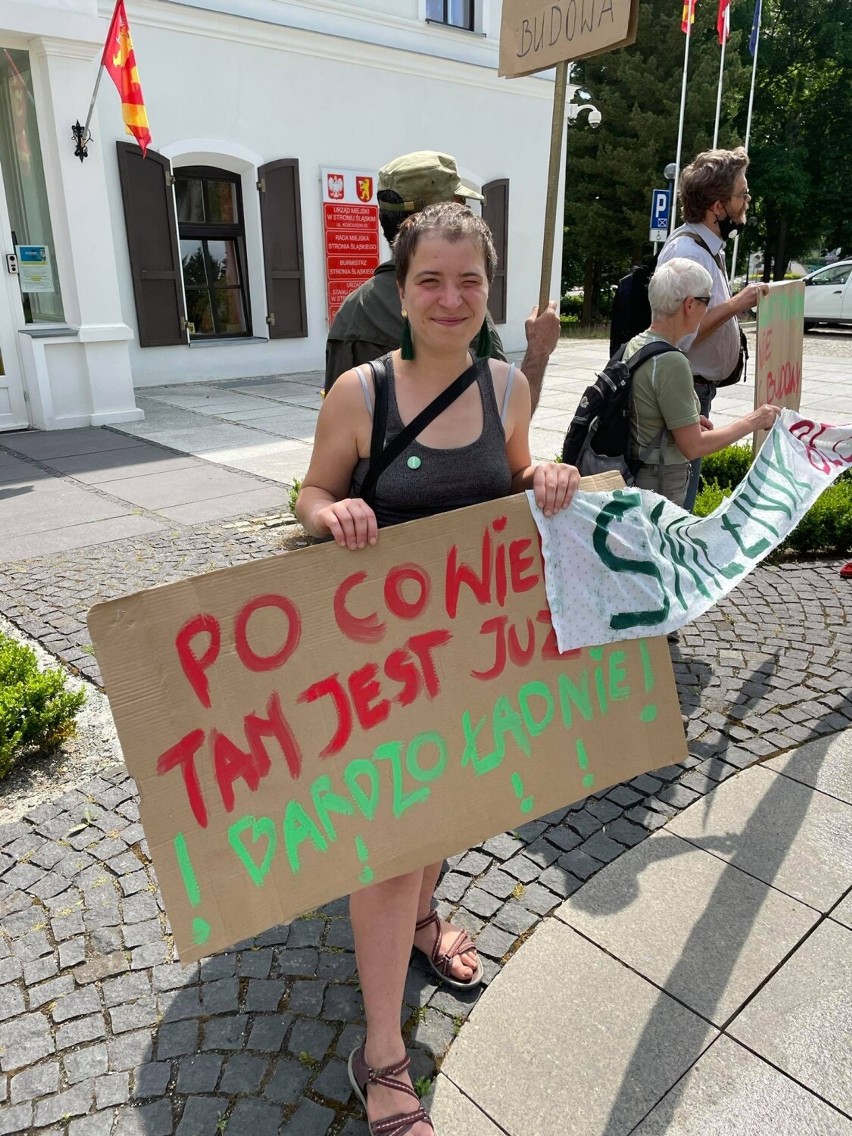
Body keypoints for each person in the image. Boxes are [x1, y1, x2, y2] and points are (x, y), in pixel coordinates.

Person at [297, 201, 579, 1135]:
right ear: (401, 286)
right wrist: (325, 514)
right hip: (375, 676)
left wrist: (545, 481)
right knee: (383, 852)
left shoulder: (506, 387)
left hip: (465, 668)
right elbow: (312, 489)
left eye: (469, 282)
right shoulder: (362, 393)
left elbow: (507, 486)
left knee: (448, 812)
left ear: (487, 291)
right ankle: (381, 1055)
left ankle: (427, 926)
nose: (451, 298)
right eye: (432, 280)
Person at [325, 149, 561, 413]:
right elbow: (507, 420)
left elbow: (337, 425)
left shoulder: (350, 311)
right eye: (459, 206)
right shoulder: (460, 313)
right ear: (434, 218)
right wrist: (539, 351)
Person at [656, 146, 770, 511]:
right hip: (686, 389)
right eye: (741, 194)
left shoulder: (707, 247)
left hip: (697, 390)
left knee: (682, 496)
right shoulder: (689, 253)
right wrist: (737, 304)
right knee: (676, 503)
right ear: (717, 206)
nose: (747, 201)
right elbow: (682, 330)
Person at [628, 257, 780, 505]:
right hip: (658, 486)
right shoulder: (671, 361)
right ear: (690, 304)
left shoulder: (636, 345)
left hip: (636, 476)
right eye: (707, 301)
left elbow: (641, 410)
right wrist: (755, 419)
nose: (708, 310)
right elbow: (693, 447)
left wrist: (683, 419)